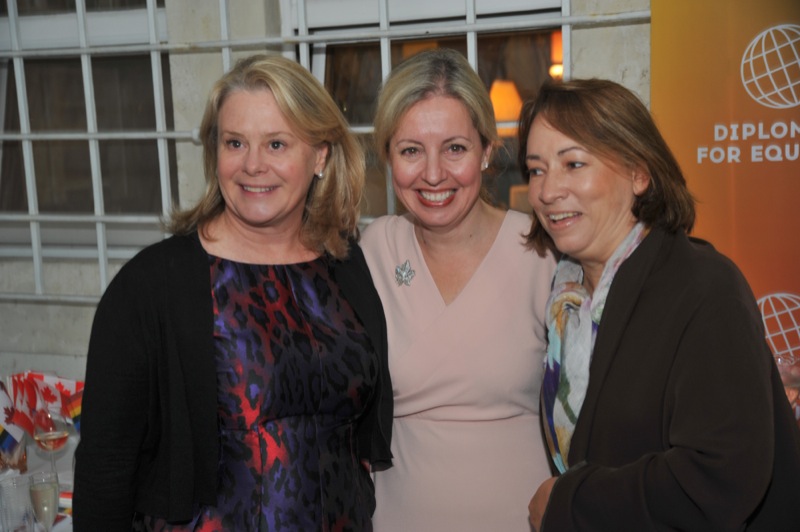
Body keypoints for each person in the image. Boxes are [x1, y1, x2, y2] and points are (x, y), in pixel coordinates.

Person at [73, 54, 392, 531]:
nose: (253, 165)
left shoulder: (345, 265)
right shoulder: (151, 286)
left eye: (276, 143)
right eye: (235, 142)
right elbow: (105, 471)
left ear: (320, 156)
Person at [520, 78, 800, 531]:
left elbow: (721, 477)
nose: (547, 190)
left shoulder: (704, 288)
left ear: (639, 173)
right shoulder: (566, 302)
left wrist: (571, 504)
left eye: (573, 164)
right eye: (536, 170)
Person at [360, 48, 556, 531]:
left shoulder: (543, 253)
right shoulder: (372, 252)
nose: (433, 174)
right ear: (388, 156)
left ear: (487, 151)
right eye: (411, 150)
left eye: (454, 148)